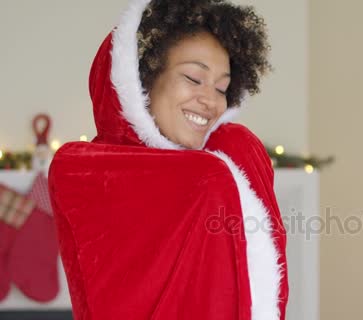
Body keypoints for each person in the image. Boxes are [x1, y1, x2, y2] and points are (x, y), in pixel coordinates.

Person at [48, 0, 288, 319]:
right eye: (193, 78)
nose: (210, 101)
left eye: (222, 88)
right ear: (143, 78)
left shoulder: (228, 154)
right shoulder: (82, 168)